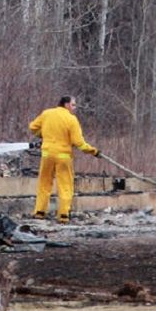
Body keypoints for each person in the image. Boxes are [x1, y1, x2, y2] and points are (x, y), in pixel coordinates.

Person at [28, 96, 98, 224]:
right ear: (66, 105)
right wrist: (93, 151)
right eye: (73, 105)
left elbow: (32, 127)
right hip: (63, 157)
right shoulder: (71, 119)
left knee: (44, 183)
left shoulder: (47, 113)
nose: (74, 107)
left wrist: (43, 134)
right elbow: (78, 142)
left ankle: (39, 212)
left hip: (47, 155)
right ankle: (63, 215)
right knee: (65, 185)